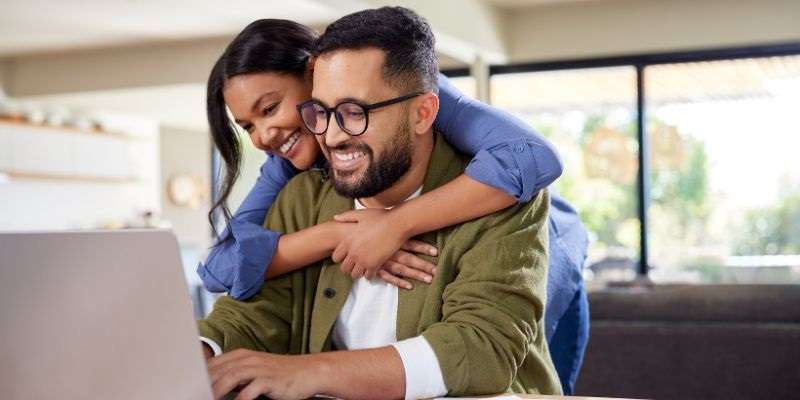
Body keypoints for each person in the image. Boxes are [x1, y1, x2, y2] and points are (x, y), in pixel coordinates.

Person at [198, 13, 589, 395]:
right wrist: (192, 353)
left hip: (558, 247)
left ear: (423, 113)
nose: (331, 137)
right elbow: (244, 297)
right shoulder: (298, 189)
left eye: (355, 112)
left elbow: (480, 349)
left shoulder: (502, 190)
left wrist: (393, 224)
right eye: (322, 112)